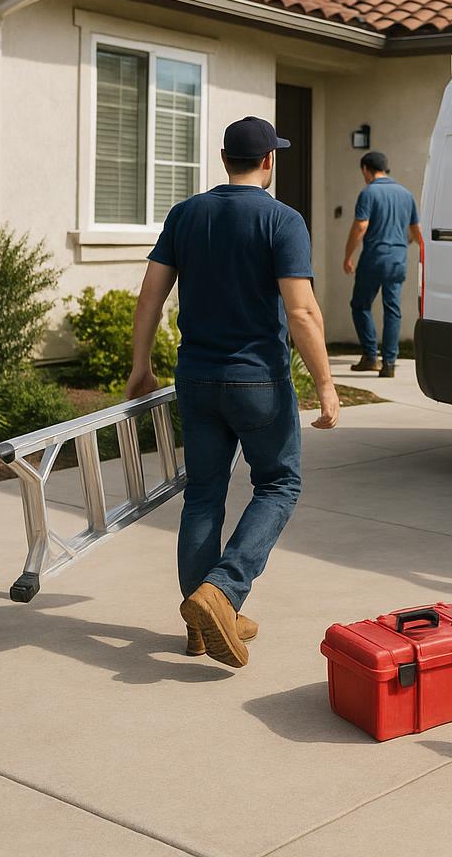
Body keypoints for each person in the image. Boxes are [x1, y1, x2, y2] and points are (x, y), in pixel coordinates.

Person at [126, 116, 339, 669]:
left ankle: (201, 625)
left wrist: (140, 366)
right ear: (268, 161)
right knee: (279, 484)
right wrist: (324, 382)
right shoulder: (282, 220)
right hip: (257, 382)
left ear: (225, 159)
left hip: (196, 377)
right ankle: (223, 592)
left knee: (203, 495)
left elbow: (149, 297)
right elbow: (301, 310)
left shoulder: (185, 215)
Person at [343, 151, 421, 377]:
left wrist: (348, 255)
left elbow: (360, 227)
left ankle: (370, 355)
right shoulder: (406, 194)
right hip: (398, 259)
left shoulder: (369, 192)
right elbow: (416, 231)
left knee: (360, 305)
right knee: (392, 310)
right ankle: (389, 363)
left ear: (366, 170)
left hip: (374, 258)